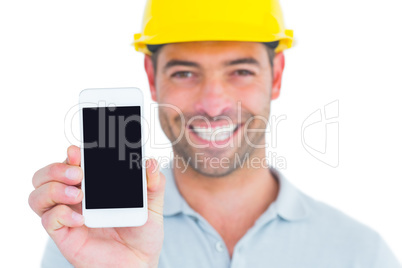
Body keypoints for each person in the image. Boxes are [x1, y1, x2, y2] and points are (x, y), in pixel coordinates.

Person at [29, 0, 401, 267]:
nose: (212, 103)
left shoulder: (361, 255)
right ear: (151, 77)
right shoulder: (90, 242)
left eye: (240, 71)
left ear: (276, 75)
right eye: (185, 73)